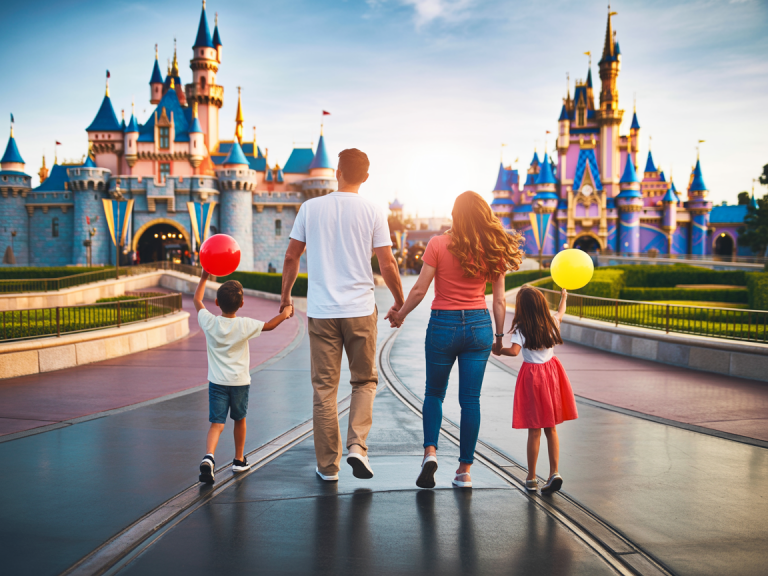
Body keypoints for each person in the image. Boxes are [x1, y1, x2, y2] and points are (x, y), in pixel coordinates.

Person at [280, 148, 404, 482]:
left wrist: (286, 297)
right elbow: (387, 262)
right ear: (365, 177)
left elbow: (292, 257)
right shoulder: (373, 210)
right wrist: (399, 301)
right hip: (361, 310)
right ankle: (357, 448)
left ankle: (328, 467)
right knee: (364, 381)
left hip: (321, 313)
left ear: (337, 172)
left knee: (324, 390)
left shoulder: (310, 208)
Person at [387, 191, 522, 489]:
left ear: (455, 215)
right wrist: (499, 338)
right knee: (470, 400)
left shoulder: (437, 243)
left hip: (443, 326)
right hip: (479, 326)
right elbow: (499, 301)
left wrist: (400, 314)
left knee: (434, 393)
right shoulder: (493, 248)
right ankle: (464, 472)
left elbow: (420, 290)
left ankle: (430, 453)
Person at [194, 272, 293, 484]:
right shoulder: (245, 324)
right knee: (239, 419)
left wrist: (204, 277)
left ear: (217, 302)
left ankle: (209, 457)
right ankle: (238, 460)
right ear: (242, 304)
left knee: (216, 424)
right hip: (239, 383)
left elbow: (197, 300)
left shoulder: (209, 322)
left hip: (217, 383)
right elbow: (270, 325)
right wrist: (285, 313)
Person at [494, 285, 578, 495]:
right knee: (551, 428)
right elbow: (561, 312)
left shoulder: (522, 328)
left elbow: (514, 352)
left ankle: (531, 477)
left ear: (523, 308)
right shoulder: (551, 322)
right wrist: (563, 297)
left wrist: (498, 350)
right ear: (541, 304)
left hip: (533, 377)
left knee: (534, 429)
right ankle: (554, 472)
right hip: (551, 374)